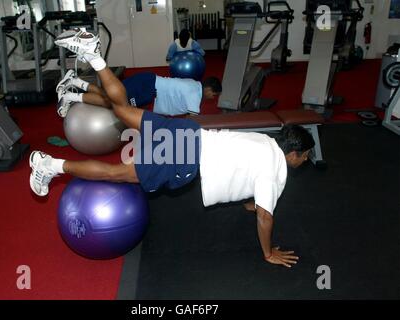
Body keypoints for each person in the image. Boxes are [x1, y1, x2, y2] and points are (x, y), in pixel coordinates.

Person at [30, 29, 315, 268]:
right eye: (305, 156)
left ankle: (93, 54)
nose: (305, 161)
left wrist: (252, 203)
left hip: (187, 132)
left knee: (121, 108)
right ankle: (50, 165)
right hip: (183, 158)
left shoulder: (266, 140)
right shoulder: (272, 169)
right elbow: (266, 216)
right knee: (115, 174)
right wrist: (268, 253)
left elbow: (256, 198)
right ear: (293, 154)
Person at [55, 70, 221, 117]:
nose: (213, 98)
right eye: (214, 95)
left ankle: (74, 81)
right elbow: (193, 122)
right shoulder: (195, 93)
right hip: (147, 89)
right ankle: (70, 96)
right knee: (111, 102)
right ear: (208, 89)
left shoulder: (194, 84)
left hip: (148, 87)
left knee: (109, 96)